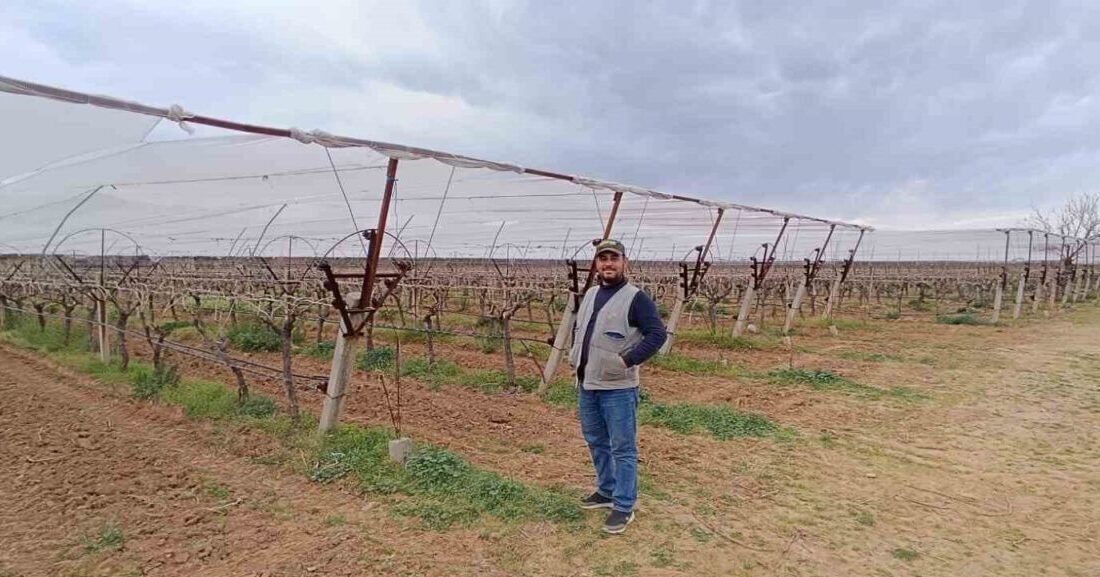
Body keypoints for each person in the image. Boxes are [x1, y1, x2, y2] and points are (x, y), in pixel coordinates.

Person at [571, 238, 667, 534]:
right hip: (588, 383)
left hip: (618, 388)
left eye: (614, 258)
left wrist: (627, 361)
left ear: (625, 262)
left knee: (623, 448)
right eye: (603, 259)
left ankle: (624, 505)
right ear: (597, 264)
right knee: (595, 440)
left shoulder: (636, 298)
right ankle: (606, 490)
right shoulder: (591, 294)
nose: (608, 264)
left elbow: (657, 334)